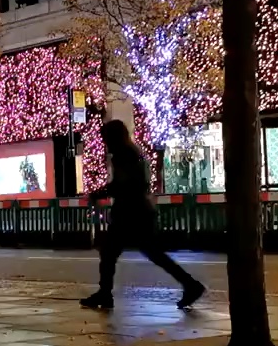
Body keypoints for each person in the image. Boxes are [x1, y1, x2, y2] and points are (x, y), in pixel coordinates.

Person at [82, 119, 205, 311]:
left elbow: (124, 184)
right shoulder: (134, 151)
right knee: (144, 253)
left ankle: (105, 293)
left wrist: (99, 193)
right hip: (139, 210)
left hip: (130, 212)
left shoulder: (124, 155)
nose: (105, 143)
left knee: (112, 253)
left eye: (106, 138)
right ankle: (190, 284)